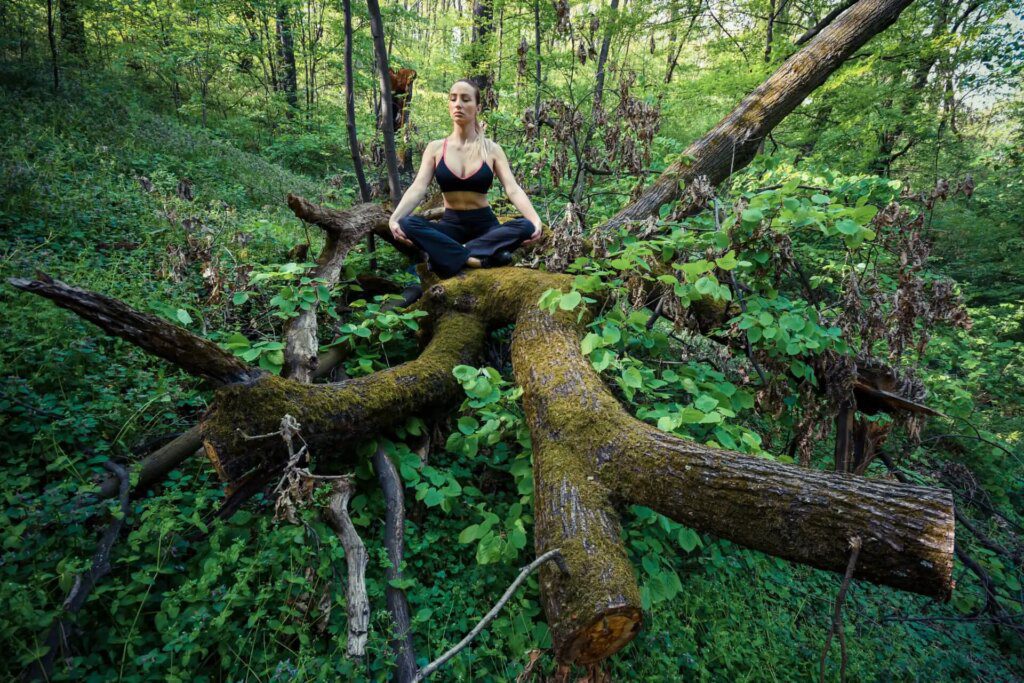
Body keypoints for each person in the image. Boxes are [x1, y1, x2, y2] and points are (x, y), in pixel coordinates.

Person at [388, 79, 544, 278]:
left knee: (525, 225)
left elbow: (512, 189)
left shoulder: (492, 149)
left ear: (477, 107)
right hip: (450, 225)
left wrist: (535, 219)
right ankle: (474, 259)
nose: (458, 104)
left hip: (485, 227)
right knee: (408, 223)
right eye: (453, 99)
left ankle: (451, 253)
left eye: (465, 99)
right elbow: (419, 187)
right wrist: (394, 218)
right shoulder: (436, 148)